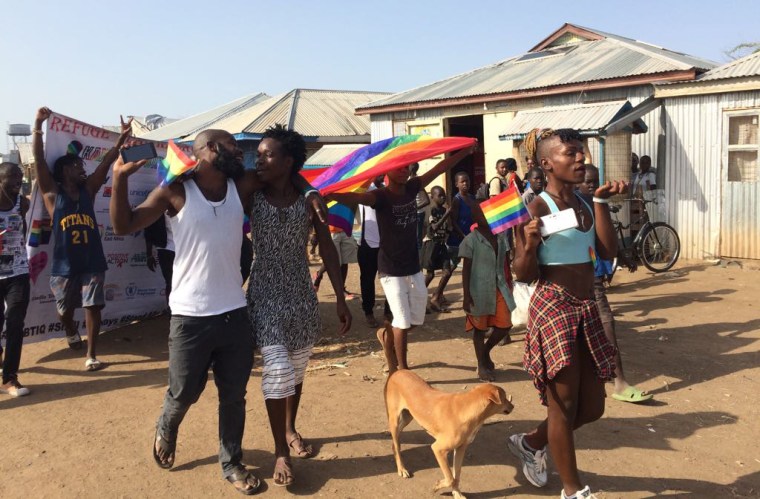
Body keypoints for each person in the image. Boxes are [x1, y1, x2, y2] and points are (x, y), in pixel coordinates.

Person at [110, 127, 324, 494]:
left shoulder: (240, 187)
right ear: (209, 149)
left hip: (234, 313)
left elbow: (288, 172)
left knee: (233, 396)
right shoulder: (175, 191)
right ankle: (167, 425)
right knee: (184, 393)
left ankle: (233, 462)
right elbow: (123, 223)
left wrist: (313, 191)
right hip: (190, 316)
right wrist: (118, 179)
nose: (242, 154)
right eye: (231, 147)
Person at [508, 128, 625, 499]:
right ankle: (573, 491)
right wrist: (527, 244)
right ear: (547, 163)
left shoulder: (587, 203)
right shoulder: (536, 206)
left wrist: (602, 203)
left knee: (592, 407)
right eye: (570, 153)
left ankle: (531, 443)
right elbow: (523, 273)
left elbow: (607, 252)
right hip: (554, 304)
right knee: (564, 405)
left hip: (586, 305)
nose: (580, 159)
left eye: (581, 152)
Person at [248, 124, 351, 486]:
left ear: (289, 161)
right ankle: (281, 451)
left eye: (268, 154)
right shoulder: (252, 192)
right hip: (264, 293)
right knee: (276, 370)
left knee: (296, 371)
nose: (259, 159)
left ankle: (291, 427)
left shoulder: (311, 200)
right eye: (258, 154)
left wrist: (340, 297)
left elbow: (327, 249)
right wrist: (308, 187)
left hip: (301, 296)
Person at [327, 145, 475, 372]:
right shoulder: (380, 196)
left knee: (414, 321)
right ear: (388, 171)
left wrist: (463, 153)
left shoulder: (413, 186)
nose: (405, 171)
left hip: (412, 266)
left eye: (407, 167)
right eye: (400, 168)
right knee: (403, 322)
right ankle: (401, 369)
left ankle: (387, 335)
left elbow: (438, 169)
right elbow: (355, 197)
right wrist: (329, 193)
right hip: (390, 269)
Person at [32, 107, 130, 371]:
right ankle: (69, 329)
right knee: (64, 310)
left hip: (92, 261)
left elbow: (106, 163)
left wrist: (120, 140)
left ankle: (91, 355)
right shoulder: (52, 194)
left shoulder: (89, 189)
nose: (82, 167)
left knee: (93, 306)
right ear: (64, 172)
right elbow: (39, 161)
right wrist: (38, 125)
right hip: (64, 266)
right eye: (77, 165)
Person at [578, 165, 652, 404]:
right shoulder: (573, 205)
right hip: (574, 278)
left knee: (606, 322)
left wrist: (621, 256)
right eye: (587, 181)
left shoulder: (598, 204)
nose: (591, 184)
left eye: (595, 180)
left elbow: (606, 238)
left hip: (595, 276)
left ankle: (619, 381)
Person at [459, 197, 515, 382]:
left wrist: (510, 284)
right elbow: (466, 270)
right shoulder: (470, 240)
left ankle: (484, 352)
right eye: (483, 212)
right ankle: (481, 365)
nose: (487, 216)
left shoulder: (500, 237)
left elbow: (506, 263)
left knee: (505, 325)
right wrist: (466, 296)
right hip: (478, 290)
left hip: (499, 287)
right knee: (479, 328)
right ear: (475, 215)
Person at [0, 163, 31, 396]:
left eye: (19, 176)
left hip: (18, 272)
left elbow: (24, 231)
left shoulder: (23, 203)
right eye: (13, 177)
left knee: (15, 323)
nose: (18, 180)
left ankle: (10, 378)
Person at [441, 171, 475, 305]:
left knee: (469, 268)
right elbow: (453, 222)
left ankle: (471, 294)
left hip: (469, 238)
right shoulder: (457, 200)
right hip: (457, 240)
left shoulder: (471, 198)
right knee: (449, 269)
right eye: (462, 182)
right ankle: (437, 294)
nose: (465, 184)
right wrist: (462, 236)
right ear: (456, 184)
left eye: (467, 181)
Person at [357, 175, 384, 327]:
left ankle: (388, 311)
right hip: (368, 243)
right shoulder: (366, 187)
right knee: (367, 280)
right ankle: (369, 312)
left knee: (391, 279)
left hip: (387, 243)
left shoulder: (388, 187)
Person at [421, 186, 452, 311]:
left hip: (441, 244)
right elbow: (433, 228)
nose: (443, 197)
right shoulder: (431, 210)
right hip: (431, 244)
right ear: (433, 197)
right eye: (440, 195)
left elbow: (447, 227)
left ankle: (435, 297)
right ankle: (419, 299)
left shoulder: (444, 210)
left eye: (444, 195)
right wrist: (446, 215)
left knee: (447, 272)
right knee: (430, 274)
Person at [312, 220, 357, 299]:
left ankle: (341, 290)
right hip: (330, 231)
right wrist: (315, 233)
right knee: (332, 261)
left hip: (345, 230)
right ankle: (318, 276)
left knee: (344, 260)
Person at [144, 214, 174, 305]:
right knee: (171, 282)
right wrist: (149, 255)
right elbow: (148, 230)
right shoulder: (158, 204)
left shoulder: (186, 203)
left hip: (186, 248)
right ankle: (172, 312)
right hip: (165, 249)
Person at [410, 163, 430, 250]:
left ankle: (420, 258)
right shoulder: (408, 180)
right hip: (412, 213)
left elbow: (427, 200)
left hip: (418, 213)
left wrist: (416, 208)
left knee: (418, 237)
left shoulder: (417, 181)